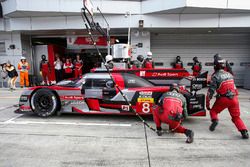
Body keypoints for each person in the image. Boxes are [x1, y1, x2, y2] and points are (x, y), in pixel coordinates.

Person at [206, 57, 248, 139]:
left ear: (215, 66)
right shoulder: (230, 75)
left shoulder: (215, 76)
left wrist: (207, 104)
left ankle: (215, 120)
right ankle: (244, 131)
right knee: (236, 117)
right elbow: (235, 88)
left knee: (213, 111)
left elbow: (210, 92)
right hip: (234, 99)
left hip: (223, 99)